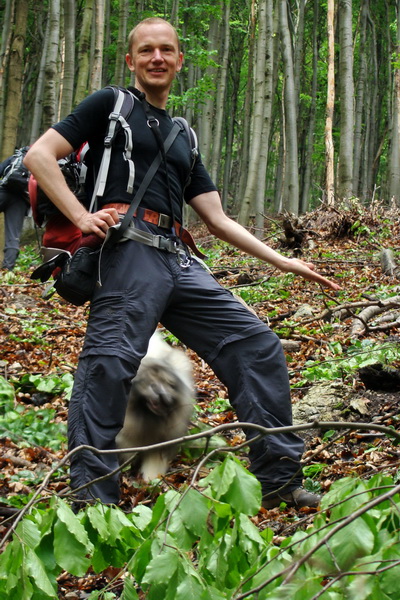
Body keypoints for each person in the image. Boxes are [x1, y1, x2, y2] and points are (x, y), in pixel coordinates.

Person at [24, 17, 341, 510]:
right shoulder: (111, 105)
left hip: (179, 258)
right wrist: (82, 216)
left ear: (178, 61)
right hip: (128, 250)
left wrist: (284, 262)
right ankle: (92, 500)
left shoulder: (181, 133)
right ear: (131, 60)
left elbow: (215, 217)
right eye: (146, 50)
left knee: (256, 345)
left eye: (166, 50)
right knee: (109, 364)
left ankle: (279, 480)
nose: (157, 58)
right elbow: (40, 156)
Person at [0, 148, 30, 271]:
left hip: (3, 192)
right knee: (13, 237)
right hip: (21, 200)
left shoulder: (17, 156)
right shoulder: (43, 161)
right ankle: (6, 271)